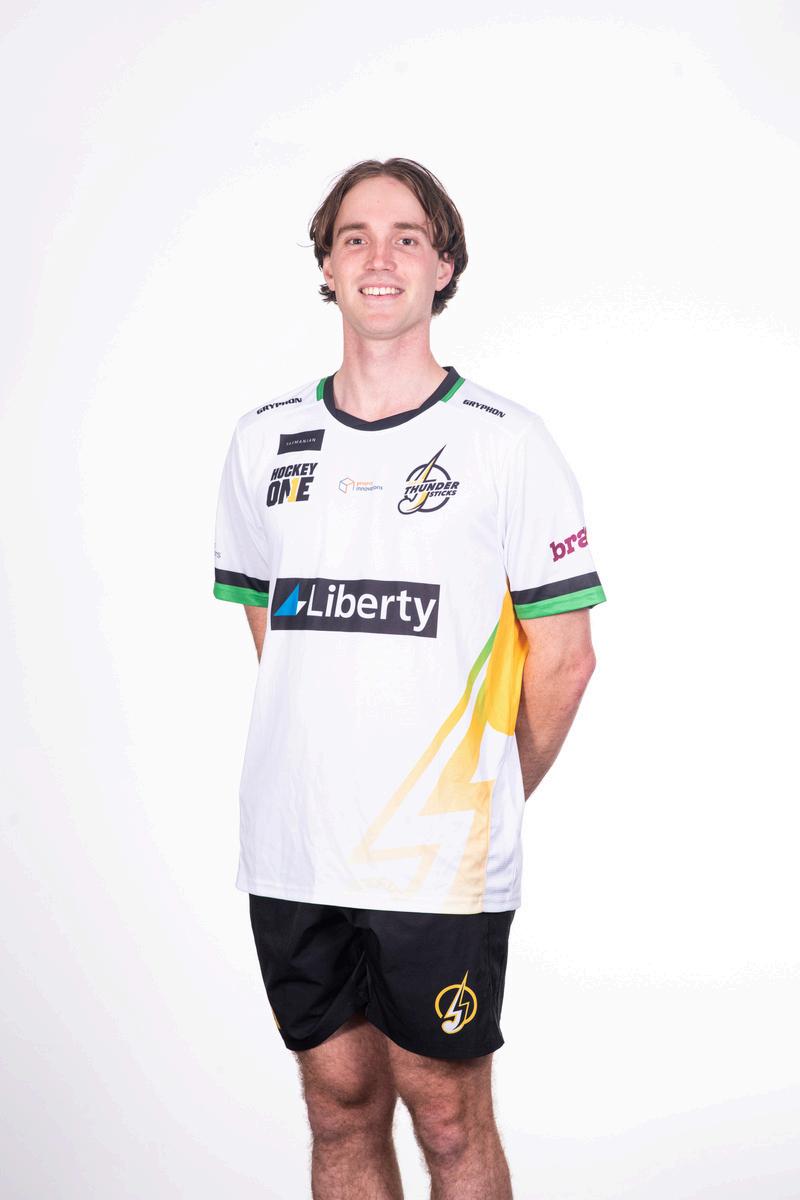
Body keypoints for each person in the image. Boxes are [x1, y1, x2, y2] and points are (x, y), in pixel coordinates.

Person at [213, 156, 606, 1200]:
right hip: (294, 848)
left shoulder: (506, 444)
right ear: (326, 268)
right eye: (354, 237)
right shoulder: (262, 443)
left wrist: (482, 794)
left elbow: (565, 659)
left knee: (445, 1117)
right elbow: (276, 630)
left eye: (407, 238)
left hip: (437, 858)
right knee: (335, 1104)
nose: (378, 257)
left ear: (444, 268)